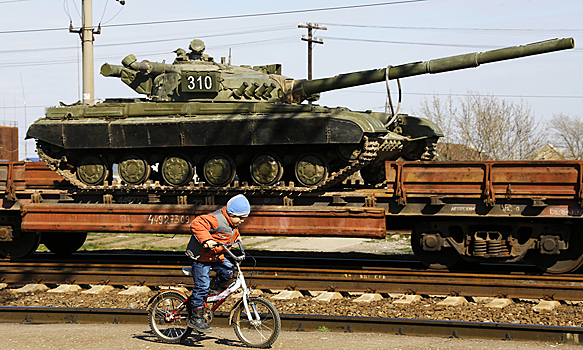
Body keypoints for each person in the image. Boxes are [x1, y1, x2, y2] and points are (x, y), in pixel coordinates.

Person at [185, 194, 250, 333]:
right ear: (231, 214)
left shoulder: (232, 223)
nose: (243, 220)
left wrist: (237, 237)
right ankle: (196, 319)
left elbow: (229, 232)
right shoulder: (216, 219)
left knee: (228, 271)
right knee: (201, 286)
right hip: (200, 257)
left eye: (244, 217)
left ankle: (211, 289)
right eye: (240, 217)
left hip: (215, 256)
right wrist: (207, 240)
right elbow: (197, 223)